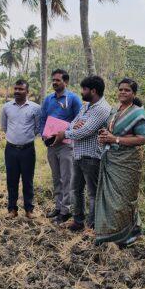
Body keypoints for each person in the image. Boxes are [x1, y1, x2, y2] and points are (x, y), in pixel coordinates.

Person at [54, 75, 112, 232]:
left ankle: (91, 226)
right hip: (78, 154)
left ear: (93, 91)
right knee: (76, 190)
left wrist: (66, 134)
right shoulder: (86, 106)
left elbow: (87, 130)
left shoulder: (102, 108)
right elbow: (74, 123)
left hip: (92, 157)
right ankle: (78, 221)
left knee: (93, 194)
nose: (81, 92)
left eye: (84, 89)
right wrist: (74, 127)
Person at [95, 78, 145, 247]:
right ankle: (110, 233)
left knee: (124, 199)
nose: (123, 93)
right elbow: (111, 133)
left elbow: (142, 138)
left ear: (134, 93)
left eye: (127, 90)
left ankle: (128, 234)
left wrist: (115, 139)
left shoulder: (138, 113)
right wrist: (105, 137)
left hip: (128, 162)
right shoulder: (114, 110)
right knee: (110, 199)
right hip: (112, 159)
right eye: (121, 90)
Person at [39, 69, 82, 223]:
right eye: (54, 80)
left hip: (66, 145)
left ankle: (66, 211)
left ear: (66, 82)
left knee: (66, 178)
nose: (55, 82)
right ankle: (58, 207)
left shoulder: (73, 99)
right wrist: (43, 135)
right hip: (51, 145)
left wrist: (65, 132)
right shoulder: (48, 99)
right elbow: (42, 118)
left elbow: (79, 121)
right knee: (56, 177)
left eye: (58, 80)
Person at [0, 79, 41, 218]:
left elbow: (37, 128)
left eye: (21, 89)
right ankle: (12, 209)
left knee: (28, 180)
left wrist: (26, 137)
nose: (17, 91)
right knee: (11, 180)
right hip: (10, 149)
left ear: (27, 91)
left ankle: (29, 210)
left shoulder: (35, 108)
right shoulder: (6, 107)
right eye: (16, 89)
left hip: (28, 150)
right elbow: (4, 127)